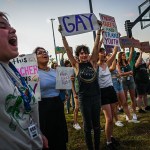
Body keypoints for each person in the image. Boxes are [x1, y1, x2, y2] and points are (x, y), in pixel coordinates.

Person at [0, 11, 48, 149]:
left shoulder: (10, 68)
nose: (13, 29)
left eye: (11, 26)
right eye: (2, 25)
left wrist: (39, 133)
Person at [58, 21, 102, 150]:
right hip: (84, 99)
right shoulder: (76, 66)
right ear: (78, 55)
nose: (83, 55)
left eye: (85, 52)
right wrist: (62, 35)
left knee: (97, 125)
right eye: (81, 53)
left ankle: (97, 147)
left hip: (96, 97)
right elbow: (67, 50)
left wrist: (99, 31)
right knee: (87, 126)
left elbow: (96, 47)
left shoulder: (93, 63)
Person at [33, 47, 68, 150]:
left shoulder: (55, 71)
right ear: (34, 58)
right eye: (40, 53)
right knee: (48, 136)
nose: (44, 53)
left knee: (60, 135)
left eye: (45, 52)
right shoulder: (33, 73)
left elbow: (61, 88)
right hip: (43, 106)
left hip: (57, 104)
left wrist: (67, 81)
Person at [98, 46, 120, 149]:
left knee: (114, 115)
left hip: (111, 90)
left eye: (104, 52)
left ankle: (111, 137)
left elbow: (115, 52)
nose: (103, 54)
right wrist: (101, 39)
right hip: (102, 92)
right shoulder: (95, 66)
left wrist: (116, 40)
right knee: (109, 118)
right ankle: (108, 142)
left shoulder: (106, 64)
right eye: (101, 52)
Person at [117, 47, 139, 121]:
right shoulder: (118, 64)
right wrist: (128, 73)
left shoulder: (128, 61)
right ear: (120, 56)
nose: (124, 56)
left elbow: (131, 52)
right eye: (123, 55)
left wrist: (131, 45)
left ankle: (134, 114)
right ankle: (127, 113)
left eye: (124, 55)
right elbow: (120, 73)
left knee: (133, 98)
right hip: (124, 81)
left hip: (131, 80)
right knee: (125, 99)